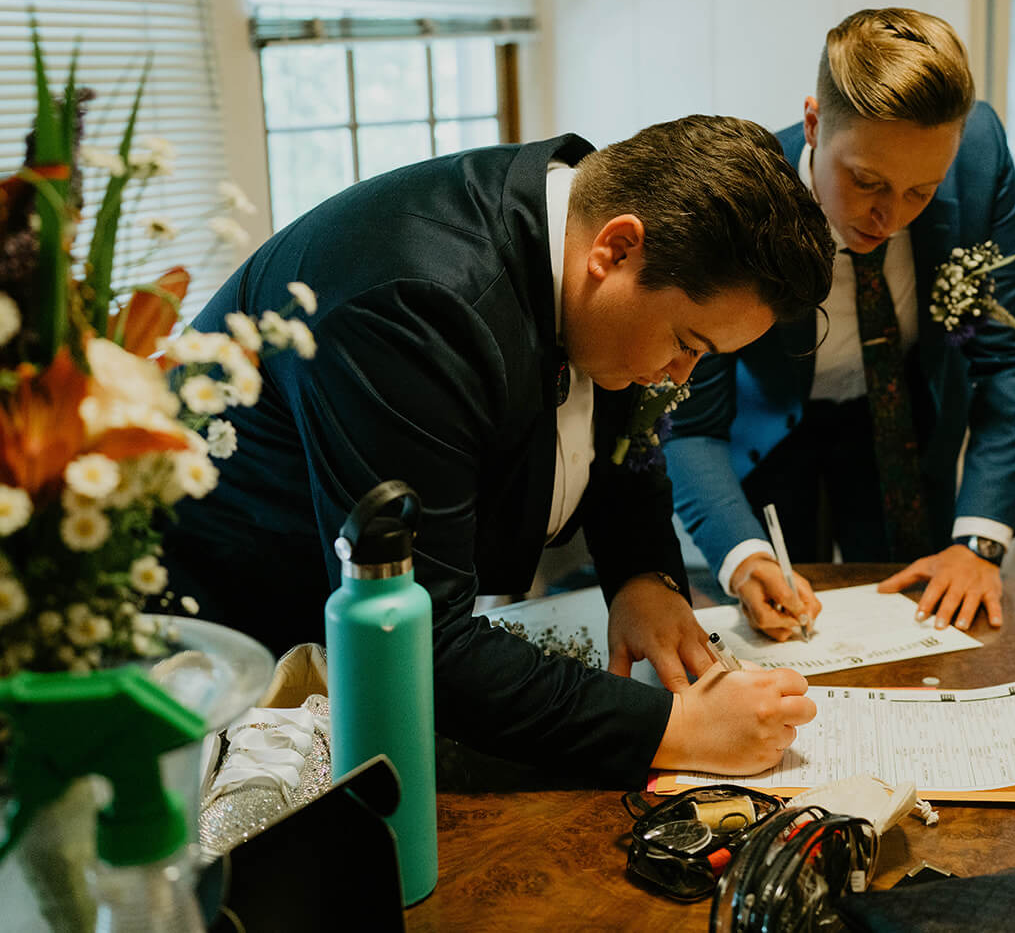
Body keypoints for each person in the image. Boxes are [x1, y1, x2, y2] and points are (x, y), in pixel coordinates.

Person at [162, 115, 835, 785]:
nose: (680, 376)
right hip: (236, 654)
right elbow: (418, 647)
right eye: (688, 343)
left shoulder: (586, 237)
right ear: (618, 249)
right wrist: (676, 727)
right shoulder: (414, 309)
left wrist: (641, 577)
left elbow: (622, 433)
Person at [664, 8, 1015, 639]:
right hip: (768, 433)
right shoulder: (735, 201)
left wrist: (979, 544)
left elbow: (1011, 359)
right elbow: (690, 425)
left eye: (922, 191)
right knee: (782, 621)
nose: (890, 216)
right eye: (867, 182)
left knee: (919, 625)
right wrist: (743, 558)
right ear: (815, 124)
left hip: (902, 419)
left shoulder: (978, 156)